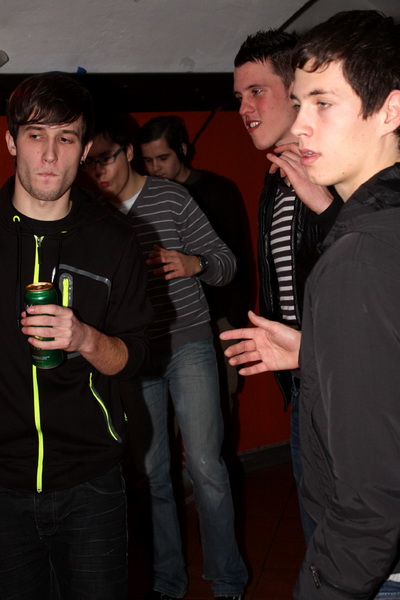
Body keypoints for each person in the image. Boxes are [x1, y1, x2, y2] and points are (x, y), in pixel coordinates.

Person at [223, 9, 400, 599]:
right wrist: (316, 351)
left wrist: (322, 587)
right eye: (301, 104)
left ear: (390, 112)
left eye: (323, 103)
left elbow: (370, 501)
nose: (300, 125)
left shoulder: (359, 252)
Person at [83, 111, 248, 600]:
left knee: (206, 467)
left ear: (128, 152)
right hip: (135, 358)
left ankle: (227, 581)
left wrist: (195, 263)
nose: (99, 172)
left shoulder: (172, 198)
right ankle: (167, 581)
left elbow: (226, 264)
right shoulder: (94, 215)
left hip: (189, 345)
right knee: (153, 475)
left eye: (106, 159)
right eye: (90, 163)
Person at [0, 73, 153, 600]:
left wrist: (85, 338)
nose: (49, 154)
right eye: (35, 135)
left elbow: (138, 356)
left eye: (65, 138)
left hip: (91, 482)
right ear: (11, 141)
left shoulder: (116, 240)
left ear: (85, 150)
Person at [233, 28, 343, 542]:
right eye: (239, 96)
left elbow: (371, 264)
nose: (244, 108)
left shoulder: (336, 169)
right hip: (302, 377)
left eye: (257, 91)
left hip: (342, 378)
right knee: (317, 522)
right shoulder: (275, 178)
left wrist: (324, 202)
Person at [137, 115, 251, 432]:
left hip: (219, 317)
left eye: (162, 158)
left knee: (218, 405)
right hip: (171, 324)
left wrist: (235, 317)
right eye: (148, 160)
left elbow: (238, 256)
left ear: (183, 150)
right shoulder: (145, 196)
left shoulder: (217, 190)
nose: (155, 167)